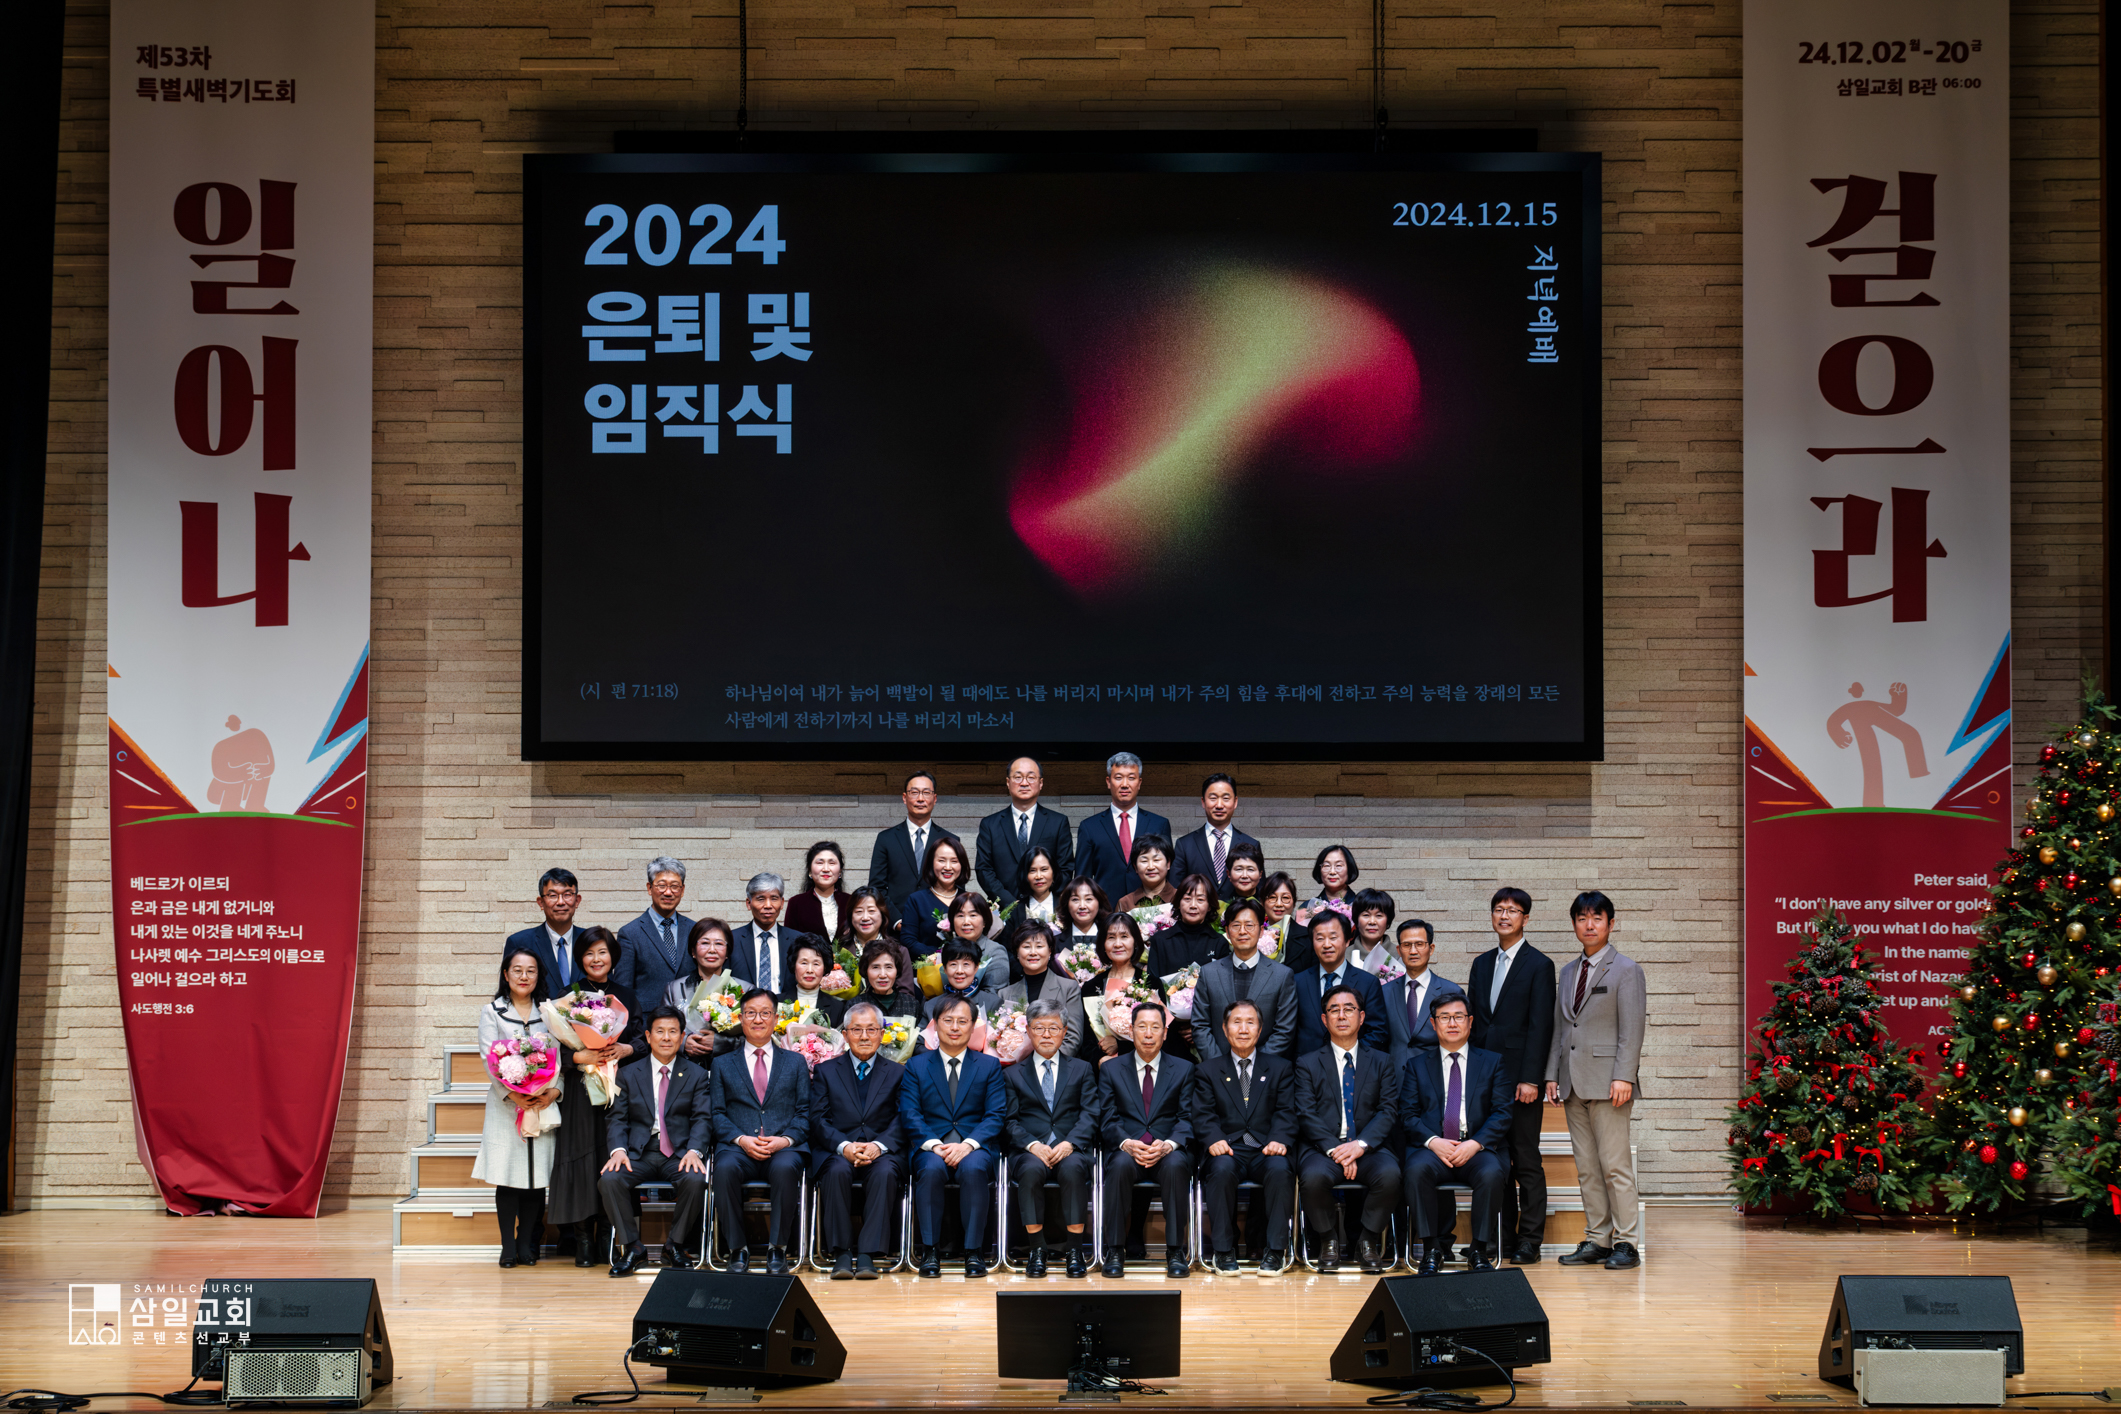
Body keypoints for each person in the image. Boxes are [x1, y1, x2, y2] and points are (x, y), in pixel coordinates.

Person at [1544, 891, 1646, 1271]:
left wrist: (1624, 1075)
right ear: (1574, 924)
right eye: (1582, 918)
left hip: (1609, 1084)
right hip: (1572, 1083)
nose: (1589, 925)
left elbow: (1632, 1030)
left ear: (1610, 924)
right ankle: (1598, 1239)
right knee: (1586, 1167)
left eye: (1597, 918)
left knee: (1615, 1166)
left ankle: (1627, 1242)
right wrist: (1551, 1075)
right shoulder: (1568, 972)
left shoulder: (1627, 970)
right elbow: (1561, 1028)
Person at [1467, 886, 1557, 1265]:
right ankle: (1499, 1238)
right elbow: (1475, 1023)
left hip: (1521, 1081)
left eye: (1513, 910)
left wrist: (1531, 1078)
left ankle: (1529, 1241)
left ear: (1526, 918)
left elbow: (1541, 1026)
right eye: (1499, 909)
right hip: (1486, 1079)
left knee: (1525, 1159)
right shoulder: (1481, 963)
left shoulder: (1539, 965)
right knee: (1495, 1158)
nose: (1504, 916)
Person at [548, 925, 644, 1267]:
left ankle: (607, 1235)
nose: (596, 959)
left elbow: (643, 1040)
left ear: (613, 956)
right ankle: (582, 1240)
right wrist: (579, 1055)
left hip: (616, 1088)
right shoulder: (567, 996)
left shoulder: (627, 996)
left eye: (603, 952)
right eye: (589, 953)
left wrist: (626, 1048)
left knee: (608, 1155)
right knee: (579, 1156)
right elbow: (552, 1048)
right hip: (579, 1091)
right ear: (580, 959)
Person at [1292, 983, 1401, 1274]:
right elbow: (1306, 1113)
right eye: (1334, 1010)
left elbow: (1388, 1110)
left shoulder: (1382, 1061)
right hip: (1324, 1148)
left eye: (1349, 1009)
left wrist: (1360, 1146)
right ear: (1324, 1019)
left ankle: (1367, 1241)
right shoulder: (1307, 1063)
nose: (1342, 1016)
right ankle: (1328, 1240)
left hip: (1369, 1148)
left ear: (1362, 1017)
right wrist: (1337, 1150)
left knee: (1390, 1175)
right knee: (1313, 1177)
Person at [1402, 993, 1512, 1274]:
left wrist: (1475, 1143)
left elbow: (1502, 1112)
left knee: (1492, 1173)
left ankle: (1479, 1249)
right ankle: (1432, 1248)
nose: (1452, 1023)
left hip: (1476, 1148)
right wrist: (1433, 1142)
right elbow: (1408, 1114)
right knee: (1415, 1171)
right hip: (1433, 1149)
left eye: (1458, 1017)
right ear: (1433, 1024)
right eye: (1444, 1017)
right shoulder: (1416, 1065)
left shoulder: (1492, 1062)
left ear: (1470, 1022)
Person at [600, 1006, 713, 1276]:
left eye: (673, 1032)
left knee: (696, 1179)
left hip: (679, 1153)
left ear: (682, 1036)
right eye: (660, 1031)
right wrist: (618, 1151)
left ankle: (674, 1245)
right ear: (648, 1037)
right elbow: (617, 1118)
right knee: (610, 1180)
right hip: (639, 1153)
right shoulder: (628, 1073)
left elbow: (702, 1118)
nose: (666, 1037)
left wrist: (695, 1151)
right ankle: (633, 1247)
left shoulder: (696, 1074)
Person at [901, 994, 1008, 1277]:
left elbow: (995, 1115)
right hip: (931, 1146)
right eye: (948, 1020)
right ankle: (930, 1250)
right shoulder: (916, 1065)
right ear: (935, 1025)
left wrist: (968, 1145)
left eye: (962, 1021)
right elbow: (910, 1113)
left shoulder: (989, 1065)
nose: (955, 1027)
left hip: (974, 1146)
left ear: (973, 1026)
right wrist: (935, 1145)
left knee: (974, 1169)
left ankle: (973, 1251)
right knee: (931, 1170)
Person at [710, 988, 811, 1274]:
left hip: (783, 1147)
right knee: (724, 1169)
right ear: (740, 1018)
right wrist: (741, 1139)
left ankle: (777, 1249)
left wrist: (785, 1140)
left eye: (765, 1013)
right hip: (738, 1147)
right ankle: (737, 1250)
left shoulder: (795, 1062)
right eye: (751, 1013)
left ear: (776, 1019)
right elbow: (716, 1113)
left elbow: (805, 1113)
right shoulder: (722, 1063)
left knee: (786, 1168)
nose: (758, 1019)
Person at [1193, 997, 1296, 1274]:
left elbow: (1286, 1111)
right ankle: (1223, 1251)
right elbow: (1203, 1114)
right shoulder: (1208, 1070)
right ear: (1224, 1029)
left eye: (1250, 1022)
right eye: (1236, 1022)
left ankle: (1275, 1251)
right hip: (1227, 1148)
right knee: (1221, 1170)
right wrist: (1213, 1139)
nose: (1243, 1029)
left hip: (1266, 1148)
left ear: (1260, 1030)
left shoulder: (1280, 1068)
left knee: (1280, 1170)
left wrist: (1279, 1139)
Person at [474, 946, 562, 1268]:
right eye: (517, 970)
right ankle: (508, 1247)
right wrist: (514, 1095)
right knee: (509, 1175)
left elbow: (559, 1060)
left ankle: (527, 1245)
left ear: (538, 976)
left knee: (535, 1177)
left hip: (540, 1104)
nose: (524, 976)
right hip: (507, 1107)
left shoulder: (549, 1013)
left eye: (531, 971)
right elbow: (488, 1058)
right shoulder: (492, 1012)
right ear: (506, 974)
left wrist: (553, 1092)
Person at [1096, 999, 1194, 1278]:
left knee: (1176, 1165)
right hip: (1128, 1147)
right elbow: (1107, 1118)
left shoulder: (1184, 1068)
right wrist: (1126, 1143)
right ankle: (1115, 1249)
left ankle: (1175, 1250)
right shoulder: (1111, 1069)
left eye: (1155, 1027)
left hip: (1166, 1148)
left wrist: (1169, 1144)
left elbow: (1187, 1117)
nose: (1148, 1034)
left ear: (1165, 1032)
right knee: (1118, 1166)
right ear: (1131, 1031)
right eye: (1142, 1027)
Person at [1001, 1000, 1097, 1277]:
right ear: (1028, 1031)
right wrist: (1033, 1145)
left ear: (1064, 1031)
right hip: (1029, 1149)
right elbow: (1008, 1120)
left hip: (1070, 1146)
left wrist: (1070, 1143)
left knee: (1073, 1169)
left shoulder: (1082, 1069)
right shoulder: (1012, 1074)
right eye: (1039, 1028)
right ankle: (1037, 1249)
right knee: (1030, 1171)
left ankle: (1075, 1250)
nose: (1046, 1034)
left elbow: (1091, 1113)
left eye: (1053, 1028)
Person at [810, 1001, 906, 1279]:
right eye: (857, 1030)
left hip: (882, 1150)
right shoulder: (826, 1071)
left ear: (882, 1034)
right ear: (845, 1033)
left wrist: (878, 1146)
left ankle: (867, 1254)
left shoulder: (898, 1072)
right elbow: (817, 1118)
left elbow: (904, 1117)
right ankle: (841, 1253)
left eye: (871, 1030)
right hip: (838, 1149)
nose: (864, 1036)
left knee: (885, 1173)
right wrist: (844, 1146)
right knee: (836, 1171)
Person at [1192, 897, 1298, 1062]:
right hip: (1218, 1067)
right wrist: (1220, 1065)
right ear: (1227, 932)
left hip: (1264, 1069)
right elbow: (1200, 1026)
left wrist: (1254, 1067)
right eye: (1236, 925)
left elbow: (1284, 1030)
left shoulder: (1282, 975)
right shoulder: (1209, 973)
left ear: (1261, 931)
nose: (1242, 931)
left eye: (1249, 925)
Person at [1073, 752, 1173, 903]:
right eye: (1118, 777)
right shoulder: (1089, 827)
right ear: (1108, 782)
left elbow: (1168, 874)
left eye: (1131, 778)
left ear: (1139, 783)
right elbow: (1082, 880)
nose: (1125, 784)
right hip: (1105, 910)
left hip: (1151, 909)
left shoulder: (1159, 824)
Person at [975, 756, 1075, 907]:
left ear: (1041, 783)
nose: (1024, 783)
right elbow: (984, 869)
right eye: (1018, 777)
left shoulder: (1058, 822)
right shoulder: (990, 825)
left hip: (1046, 910)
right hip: (1004, 911)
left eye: (1031, 777)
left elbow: (1065, 868)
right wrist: (1010, 904)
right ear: (1008, 782)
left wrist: (1043, 901)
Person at [867, 770, 961, 925]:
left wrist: (945, 923)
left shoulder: (950, 840)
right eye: (914, 792)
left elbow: (956, 887)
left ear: (934, 798)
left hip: (938, 927)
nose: (920, 799)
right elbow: (876, 887)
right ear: (905, 798)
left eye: (926, 793)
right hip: (897, 927)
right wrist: (897, 921)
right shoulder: (886, 839)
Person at [1291, 911, 1389, 1057]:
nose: (1327, 944)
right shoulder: (1297, 982)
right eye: (1320, 938)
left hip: (1353, 1065)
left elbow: (1377, 1032)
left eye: (1333, 937)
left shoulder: (1368, 983)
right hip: (1306, 1066)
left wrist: (1348, 1058)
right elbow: (1290, 1031)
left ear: (1347, 941)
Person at [1076, 913, 1165, 1064]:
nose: (1117, 944)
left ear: (1135, 941)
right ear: (1103, 943)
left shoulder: (1151, 983)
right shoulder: (1090, 987)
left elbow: (1161, 1033)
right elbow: (1086, 1037)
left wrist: (1120, 1045)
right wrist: (1100, 1060)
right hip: (1103, 1066)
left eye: (1124, 936)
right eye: (1111, 937)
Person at [614, 856, 695, 1015]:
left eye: (674, 886)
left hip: (689, 1022)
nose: (668, 892)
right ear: (649, 888)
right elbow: (623, 989)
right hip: (647, 1022)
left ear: (682, 890)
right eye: (661, 885)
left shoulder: (694, 929)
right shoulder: (630, 933)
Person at [995, 915, 1084, 1055]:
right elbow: (1001, 1039)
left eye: (1039, 946)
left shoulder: (1068, 988)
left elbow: (1072, 1039)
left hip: (1056, 1064)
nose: (1033, 952)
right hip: (1017, 1066)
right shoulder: (1004, 994)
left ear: (1050, 951)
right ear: (1017, 952)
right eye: (1026, 947)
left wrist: (1043, 1062)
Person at [1382, 918, 1464, 1069]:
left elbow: (1459, 1043)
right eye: (1407, 945)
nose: (1413, 951)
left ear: (1431, 949)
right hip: (1394, 1077)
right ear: (1399, 950)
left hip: (1435, 1076)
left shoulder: (1451, 992)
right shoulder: (1385, 992)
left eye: (1419, 944)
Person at [1172, 773, 1260, 899]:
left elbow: (1260, 893)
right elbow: (1176, 890)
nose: (1219, 805)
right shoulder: (1185, 845)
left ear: (1235, 802)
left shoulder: (1252, 844)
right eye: (1213, 798)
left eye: (1226, 798)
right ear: (1203, 802)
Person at [668, 918, 741, 1059]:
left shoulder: (743, 989)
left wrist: (719, 1043)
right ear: (693, 951)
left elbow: (755, 1037)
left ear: (727, 952)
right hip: (685, 1066)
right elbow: (661, 1028)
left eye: (719, 944)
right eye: (705, 943)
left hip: (728, 1064)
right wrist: (683, 1043)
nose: (712, 950)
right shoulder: (674, 989)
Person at [506, 867, 585, 995]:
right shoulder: (519, 943)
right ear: (541, 902)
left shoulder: (592, 942)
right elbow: (508, 994)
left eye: (567, 894)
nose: (560, 902)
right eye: (552, 895)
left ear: (577, 900)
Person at [900, 835, 973, 959]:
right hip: (927, 967)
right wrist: (941, 955)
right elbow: (908, 940)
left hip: (966, 966)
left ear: (962, 865)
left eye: (954, 861)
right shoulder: (916, 900)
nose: (948, 867)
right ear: (931, 863)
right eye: (942, 860)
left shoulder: (970, 900)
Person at [1148, 873, 1228, 978]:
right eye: (1187, 899)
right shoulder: (1160, 940)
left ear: (1209, 906)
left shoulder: (1218, 942)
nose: (1193, 905)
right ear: (1179, 903)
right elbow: (1152, 984)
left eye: (1200, 900)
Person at [844, 885, 914, 990]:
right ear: (851, 916)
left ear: (882, 914)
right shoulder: (839, 950)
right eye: (859, 911)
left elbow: (906, 993)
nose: (865, 917)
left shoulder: (900, 951)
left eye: (871, 911)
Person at [729, 873, 789, 994]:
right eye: (761, 899)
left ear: (782, 903)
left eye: (774, 898)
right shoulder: (732, 940)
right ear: (748, 903)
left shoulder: (797, 940)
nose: (768, 905)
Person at [784, 841, 854, 943]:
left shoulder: (851, 901)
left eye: (832, 863)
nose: (826, 869)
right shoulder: (796, 903)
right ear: (809, 870)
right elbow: (789, 942)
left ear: (840, 871)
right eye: (820, 863)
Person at [921, 941, 998, 1025]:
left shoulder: (993, 1003)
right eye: (953, 964)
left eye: (966, 964)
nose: (959, 971)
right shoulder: (930, 1006)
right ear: (945, 969)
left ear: (976, 968)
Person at [781, 935, 849, 1025]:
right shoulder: (777, 1002)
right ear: (794, 965)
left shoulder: (838, 1008)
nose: (810, 970)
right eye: (804, 963)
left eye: (816, 964)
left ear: (825, 968)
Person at [854, 941, 924, 1020]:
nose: (883, 975)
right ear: (866, 971)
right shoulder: (854, 1005)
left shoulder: (912, 1004)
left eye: (889, 967)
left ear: (897, 970)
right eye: (875, 967)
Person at [1113, 833, 1178, 914]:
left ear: (1168, 864)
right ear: (1135, 867)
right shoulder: (1125, 903)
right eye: (1144, 861)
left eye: (1156, 860)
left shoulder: (1181, 899)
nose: (1151, 867)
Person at [1261, 871, 1313, 972]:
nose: (1279, 904)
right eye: (1272, 897)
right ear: (1262, 902)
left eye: (1285, 898)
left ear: (1294, 902)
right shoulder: (1255, 936)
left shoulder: (1309, 937)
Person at [1297, 845, 1359, 926]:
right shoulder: (1306, 908)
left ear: (1349, 869)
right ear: (1319, 870)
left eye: (1338, 865)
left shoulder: (1361, 906)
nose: (1332, 872)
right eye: (1326, 866)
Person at [1013, 845, 1065, 928]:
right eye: (1032, 870)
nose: (1038, 876)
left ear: (1054, 872)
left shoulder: (1065, 908)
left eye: (1044, 869)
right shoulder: (1015, 911)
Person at [1348, 888, 1398, 975]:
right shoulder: (1343, 956)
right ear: (1356, 920)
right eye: (1366, 915)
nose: (1372, 922)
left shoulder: (1399, 955)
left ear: (1388, 921)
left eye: (1379, 915)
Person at [1057, 876, 1108, 953]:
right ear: (1066, 904)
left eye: (1088, 899)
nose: (1082, 906)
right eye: (1075, 899)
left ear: (1099, 903)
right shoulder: (1055, 942)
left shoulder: (1110, 939)